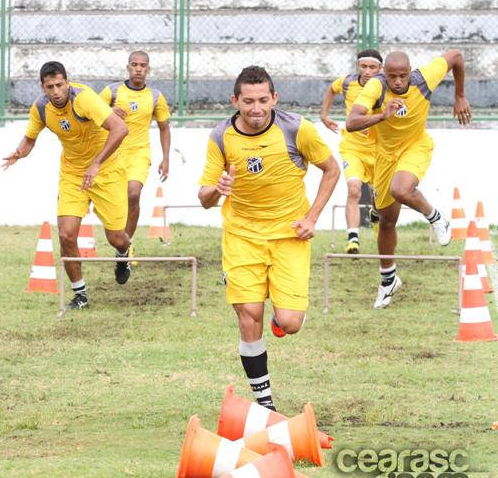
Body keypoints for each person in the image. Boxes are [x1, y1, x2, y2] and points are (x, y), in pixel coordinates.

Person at [197, 66, 340, 411]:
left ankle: (281, 318)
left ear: (274, 98)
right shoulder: (220, 137)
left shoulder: (296, 129)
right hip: (241, 237)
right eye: (248, 101)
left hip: (289, 236)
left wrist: (312, 217)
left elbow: (332, 169)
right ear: (235, 100)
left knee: (290, 324)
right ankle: (266, 406)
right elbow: (203, 198)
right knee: (249, 316)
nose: (256, 108)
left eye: (263, 100)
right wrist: (218, 190)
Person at [346, 50, 470, 309]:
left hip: (415, 147)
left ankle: (436, 217)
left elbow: (456, 56)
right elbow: (351, 122)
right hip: (384, 156)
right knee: (386, 220)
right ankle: (388, 279)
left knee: (401, 190)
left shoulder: (424, 78)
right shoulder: (375, 86)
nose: (399, 82)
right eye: (393, 77)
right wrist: (381, 115)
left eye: (403, 76)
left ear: (410, 71)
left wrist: (459, 95)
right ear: (384, 74)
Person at [3, 61, 131, 310]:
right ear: (43, 88)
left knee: (117, 238)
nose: (56, 91)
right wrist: (20, 153)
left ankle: (123, 256)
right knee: (65, 234)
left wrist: (95, 164)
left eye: (60, 85)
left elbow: (121, 128)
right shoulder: (41, 107)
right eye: (50, 87)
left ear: (67, 82)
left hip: (107, 171)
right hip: (73, 175)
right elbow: (30, 139)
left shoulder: (84, 100)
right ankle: (81, 296)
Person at [99, 51, 171, 258]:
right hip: (113, 154)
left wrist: (165, 159)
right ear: (128, 67)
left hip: (139, 153)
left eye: (143, 65)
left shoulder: (155, 96)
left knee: (133, 194)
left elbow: (164, 127)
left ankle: (125, 246)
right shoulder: (112, 91)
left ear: (148, 69)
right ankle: (119, 241)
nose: (138, 68)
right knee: (116, 200)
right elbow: (90, 113)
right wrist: (109, 110)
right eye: (134, 64)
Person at [320, 49, 383, 254]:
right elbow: (332, 88)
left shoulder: (384, 86)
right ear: (358, 66)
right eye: (363, 66)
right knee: (354, 189)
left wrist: (372, 125)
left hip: (377, 150)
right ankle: (353, 240)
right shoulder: (347, 82)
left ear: (380, 69)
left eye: (372, 67)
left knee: (378, 196)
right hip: (352, 148)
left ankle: (375, 212)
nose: (367, 71)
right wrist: (324, 115)